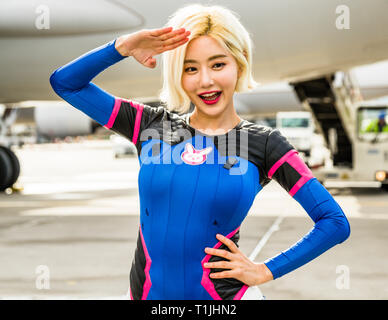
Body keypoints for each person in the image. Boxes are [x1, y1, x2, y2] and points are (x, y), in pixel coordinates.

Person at [49, 4, 350, 300]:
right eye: (190, 68)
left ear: (240, 63)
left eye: (218, 64)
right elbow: (66, 83)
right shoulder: (150, 125)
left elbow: (334, 222)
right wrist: (123, 46)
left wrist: (265, 270)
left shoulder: (265, 144)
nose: (205, 80)